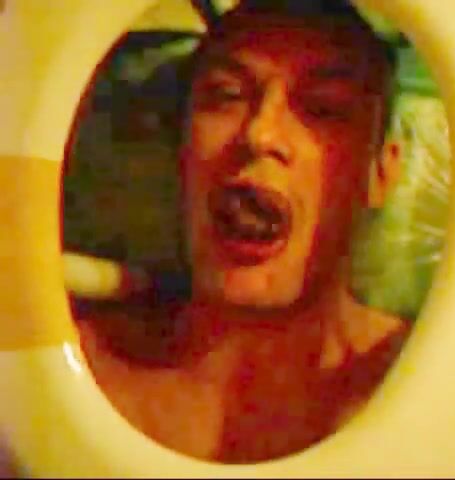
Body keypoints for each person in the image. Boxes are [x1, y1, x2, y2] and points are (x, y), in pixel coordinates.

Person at [75, 0, 409, 464]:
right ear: (180, 147)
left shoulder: (445, 376)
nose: (259, 134)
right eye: (225, 96)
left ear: (381, 172)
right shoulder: (64, 366)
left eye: (323, 107)